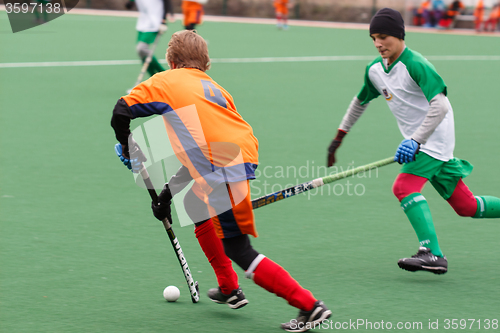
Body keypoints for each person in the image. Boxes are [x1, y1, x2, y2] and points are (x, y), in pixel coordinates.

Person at [111, 30, 331, 331]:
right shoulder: (215, 88)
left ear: (171, 62)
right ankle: (229, 287)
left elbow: (121, 111)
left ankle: (309, 306)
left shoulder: (166, 80)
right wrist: (167, 195)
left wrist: (127, 149)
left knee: (239, 249)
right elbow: (200, 158)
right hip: (239, 155)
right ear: (205, 65)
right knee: (198, 208)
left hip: (220, 164)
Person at [326, 8, 500, 275]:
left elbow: (440, 106)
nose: (378, 44)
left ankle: (432, 253)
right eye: (373, 38)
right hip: (420, 142)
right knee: (467, 207)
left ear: (398, 35)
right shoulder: (375, 70)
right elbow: (360, 101)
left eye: (383, 36)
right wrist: (340, 136)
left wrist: (416, 140)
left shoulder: (416, 64)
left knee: (404, 186)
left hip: (434, 139)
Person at [125, 0, 173, 76]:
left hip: (155, 23)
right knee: (141, 53)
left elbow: (166, 1)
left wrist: (164, 20)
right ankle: (154, 78)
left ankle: (163, 74)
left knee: (141, 48)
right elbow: (129, 5)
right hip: (142, 23)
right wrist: (129, 4)